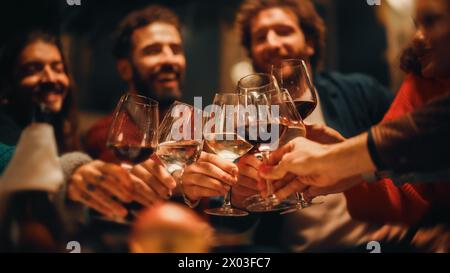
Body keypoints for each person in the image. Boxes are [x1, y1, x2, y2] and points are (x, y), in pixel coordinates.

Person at [232, 0, 393, 251]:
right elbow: (236, 221)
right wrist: (239, 197)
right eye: (261, 37)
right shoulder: (247, 122)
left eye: (283, 31)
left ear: (310, 42)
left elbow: (415, 153)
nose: (273, 43)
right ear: (252, 52)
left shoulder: (361, 91)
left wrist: (352, 161)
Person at [85, 5, 237, 208]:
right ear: (125, 69)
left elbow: (232, 205)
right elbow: (119, 185)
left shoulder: (205, 127)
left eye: (175, 50)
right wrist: (180, 183)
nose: (168, 59)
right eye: (153, 50)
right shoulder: (103, 134)